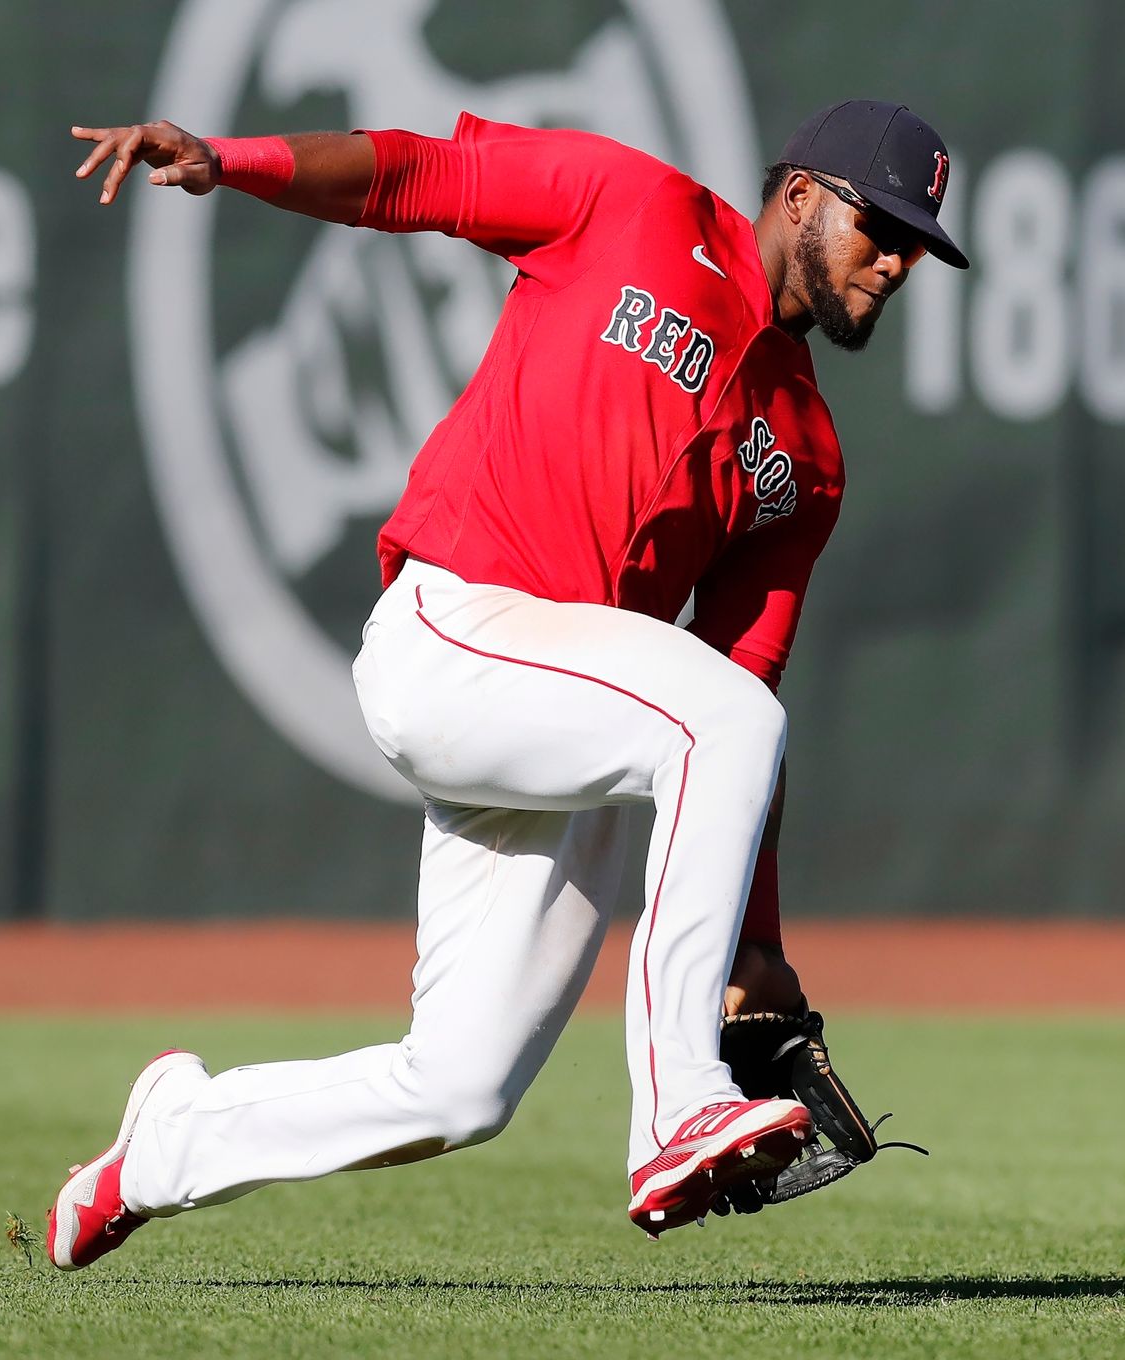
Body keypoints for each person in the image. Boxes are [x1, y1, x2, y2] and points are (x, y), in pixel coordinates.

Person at [47, 98, 968, 1270]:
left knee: (459, 1086)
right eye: (876, 225)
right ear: (800, 196)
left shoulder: (811, 459)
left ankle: (163, 1149)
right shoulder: (632, 204)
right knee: (721, 723)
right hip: (456, 628)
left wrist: (757, 942)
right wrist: (234, 163)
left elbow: (744, 694)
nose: (893, 261)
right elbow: (413, 175)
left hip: (567, 721)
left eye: (915, 244)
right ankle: (677, 1097)